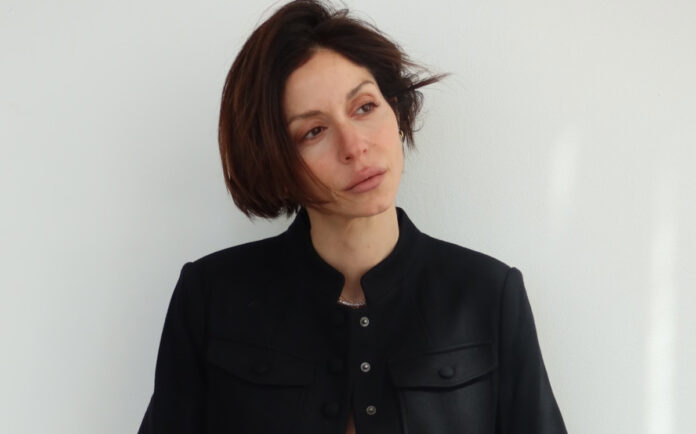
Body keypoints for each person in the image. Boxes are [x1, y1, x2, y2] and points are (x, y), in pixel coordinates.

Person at [138, 1, 567, 433]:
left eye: (364, 107)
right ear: (277, 164)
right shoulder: (210, 297)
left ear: (396, 111)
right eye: (313, 131)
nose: (354, 146)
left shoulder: (488, 294)